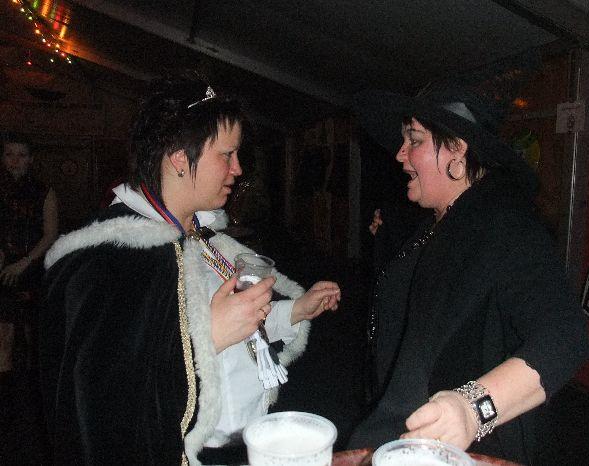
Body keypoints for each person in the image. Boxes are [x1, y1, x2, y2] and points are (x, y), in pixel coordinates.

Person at [39, 73, 341, 465]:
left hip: (244, 446)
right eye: (226, 155)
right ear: (180, 157)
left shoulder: (201, 238)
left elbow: (229, 331)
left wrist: (292, 311)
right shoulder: (108, 262)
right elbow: (101, 407)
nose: (237, 169)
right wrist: (209, 336)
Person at [347, 81, 588, 463]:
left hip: (460, 451)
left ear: (457, 149)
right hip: (399, 440)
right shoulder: (437, 223)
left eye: (414, 140)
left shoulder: (505, 225)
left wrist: (473, 409)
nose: (400, 154)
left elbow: (566, 336)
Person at [0, 133, 58, 378]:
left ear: (31, 159)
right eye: (9, 154)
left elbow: (50, 234)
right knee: (4, 336)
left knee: (34, 335)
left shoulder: (44, 191)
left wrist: (25, 262)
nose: (15, 160)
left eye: (21, 155)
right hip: (3, 267)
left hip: (33, 266)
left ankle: (33, 388)